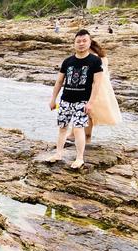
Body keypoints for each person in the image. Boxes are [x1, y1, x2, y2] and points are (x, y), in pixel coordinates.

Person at [49, 29, 103, 169]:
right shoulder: (68, 61)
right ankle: (58, 154)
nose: (81, 43)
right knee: (62, 128)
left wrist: (90, 103)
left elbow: (97, 83)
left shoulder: (95, 61)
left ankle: (79, 158)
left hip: (82, 101)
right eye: (78, 41)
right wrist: (53, 99)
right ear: (74, 43)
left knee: (78, 129)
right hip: (65, 100)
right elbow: (59, 82)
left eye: (84, 41)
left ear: (89, 42)